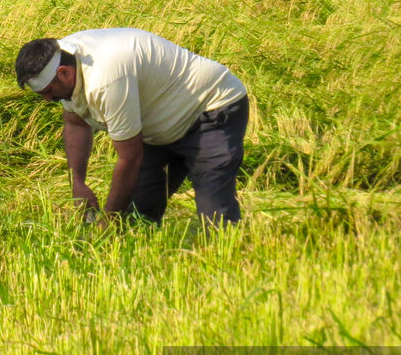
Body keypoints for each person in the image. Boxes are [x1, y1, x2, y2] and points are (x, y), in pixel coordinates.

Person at [15, 28, 249, 227]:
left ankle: (222, 262)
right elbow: (75, 122)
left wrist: (108, 220)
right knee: (137, 216)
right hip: (159, 126)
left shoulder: (106, 79)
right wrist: (78, 182)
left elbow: (130, 157)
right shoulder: (65, 62)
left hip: (210, 108)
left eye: (47, 92)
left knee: (215, 211)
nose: (47, 100)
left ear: (64, 73)